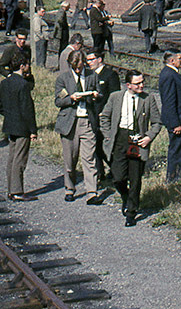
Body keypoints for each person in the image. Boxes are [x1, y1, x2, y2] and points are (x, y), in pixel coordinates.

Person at [99, 69, 162, 226]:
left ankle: (131, 212)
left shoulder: (148, 99)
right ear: (128, 85)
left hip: (138, 142)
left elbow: (157, 122)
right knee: (118, 177)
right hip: (120, 139)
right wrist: (108, 135)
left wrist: (148, 137)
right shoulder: (116, 98)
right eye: (137, 83)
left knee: (135, 179)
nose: (141, 85)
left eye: (142, 82)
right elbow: (104, 117)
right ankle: (125, 196)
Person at [54, 49, 101, 203]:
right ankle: (69, 188)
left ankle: (92, 192)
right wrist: (70, 98)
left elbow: (100, 94)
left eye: (81, 67)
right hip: (70, 124)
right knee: (70, 160)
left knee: (89, 158)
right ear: (70, 65)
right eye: (76, 67)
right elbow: (58, 101)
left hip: (87, 121)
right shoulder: (63, 78)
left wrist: (95, 96)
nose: (78, 70)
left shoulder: (92, 76)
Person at [2, 50, 37, 201]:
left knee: (12, 158)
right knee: (20, 160)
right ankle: (17, 191)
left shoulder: (4, 83)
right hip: (22, 126)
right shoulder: (23, 85)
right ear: (22, 66)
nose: (29, 67)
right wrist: (33, 130)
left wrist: (9, 113)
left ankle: (11, 189)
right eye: (28, 64)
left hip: (10, 124)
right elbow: (28, 109)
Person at [85, 48, 120, 183]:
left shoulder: (110, 75)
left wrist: (106, 113)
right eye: (87, 60)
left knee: (106, 144)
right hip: (92, 115)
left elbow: (114, 96)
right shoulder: (88, 75)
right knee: (95, 145)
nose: (89, 63)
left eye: (91, 59)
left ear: (100, 59)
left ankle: (115, 169)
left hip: (105, 117)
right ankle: (100, 173)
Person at [159, 50, 181, 181]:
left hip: (180, 120)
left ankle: (177, 176)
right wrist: (175, 123)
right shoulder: (169, 75)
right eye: (179, 58)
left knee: (180, 149)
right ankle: (173, 178)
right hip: (177, 121)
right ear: (172, 61)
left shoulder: (172, 73)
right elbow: (169, 101)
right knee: (176, 150)